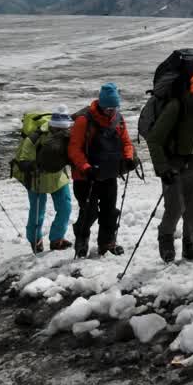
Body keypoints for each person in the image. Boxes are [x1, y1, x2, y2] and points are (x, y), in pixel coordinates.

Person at [147, 71, 193, 263]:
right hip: (173, 163)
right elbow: (154, 139)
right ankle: (166, 239)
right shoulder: (177, 106)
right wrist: (163, 168)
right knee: (175, 207)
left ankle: (191, 245)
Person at [69, 82, 137, 258]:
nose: (111, 111)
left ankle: (106, 242)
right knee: (89, 211)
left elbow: (126, 142)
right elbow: (74, 149)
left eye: (114, 108)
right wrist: (86, 168)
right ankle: (82, 240)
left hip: (108, 173)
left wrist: (128, 158)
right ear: (101, 104)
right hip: (85, 177)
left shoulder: (118, 119)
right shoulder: (84, 120)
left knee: (109, 210)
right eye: (108, 108)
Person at [12, 106, 74, 253]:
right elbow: (23, 158)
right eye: (58, 129)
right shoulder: (36, 136)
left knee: (65, 208)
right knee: (37, 212)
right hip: (37, 178)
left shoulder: (69, 134)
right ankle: (35, 239)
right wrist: (33, 166)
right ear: (52, 125)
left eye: (64, 129)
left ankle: (57, 239)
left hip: (58, 177)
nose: (61, 132)